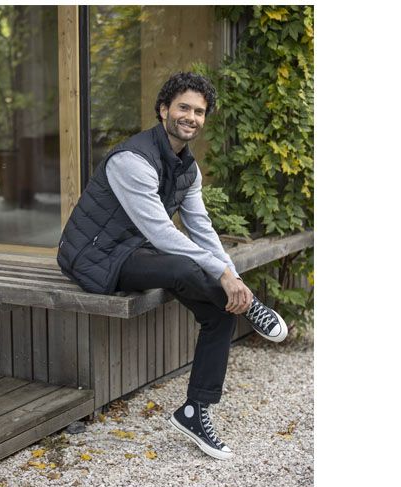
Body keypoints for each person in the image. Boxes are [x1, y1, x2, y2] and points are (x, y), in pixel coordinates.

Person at [57, 72, 287, 460]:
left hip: (134, 248)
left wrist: (234, 279)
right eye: (183, 107)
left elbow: (201, 228)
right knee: (185, 269)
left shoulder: (188, 169)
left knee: (222, 308)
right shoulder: (132, 160)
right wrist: (222, 274)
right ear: (164, 109)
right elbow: (163, 234)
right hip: (94, 258)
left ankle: (195, 410)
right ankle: (251, 307)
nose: (191, 117)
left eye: (199, 111)